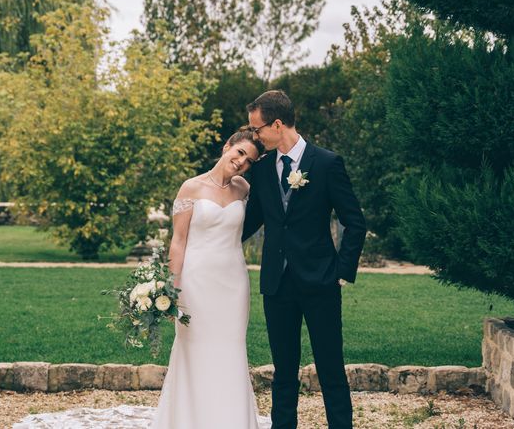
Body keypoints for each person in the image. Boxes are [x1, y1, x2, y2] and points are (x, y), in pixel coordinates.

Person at [242, 90, 367, 429]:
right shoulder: (264, 168)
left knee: (330, 367)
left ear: (278, 124)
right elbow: (250, 221)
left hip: (321, 282)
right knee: (284, 370)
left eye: (258, 129)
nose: (255, 136)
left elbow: (354, 221)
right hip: (277, 284)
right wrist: (211, 240)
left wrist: (342, 272)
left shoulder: (327, 163)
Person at [150, 129, 270, 429]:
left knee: (230, 350)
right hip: (195, 282)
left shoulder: (243, 188)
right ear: (227, 146)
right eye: (239, 153)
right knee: (195, 350)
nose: (242, 162)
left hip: (233, 283)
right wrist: (172, 289)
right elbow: (178, 242)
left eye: (249, 160)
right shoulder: (191, 187)